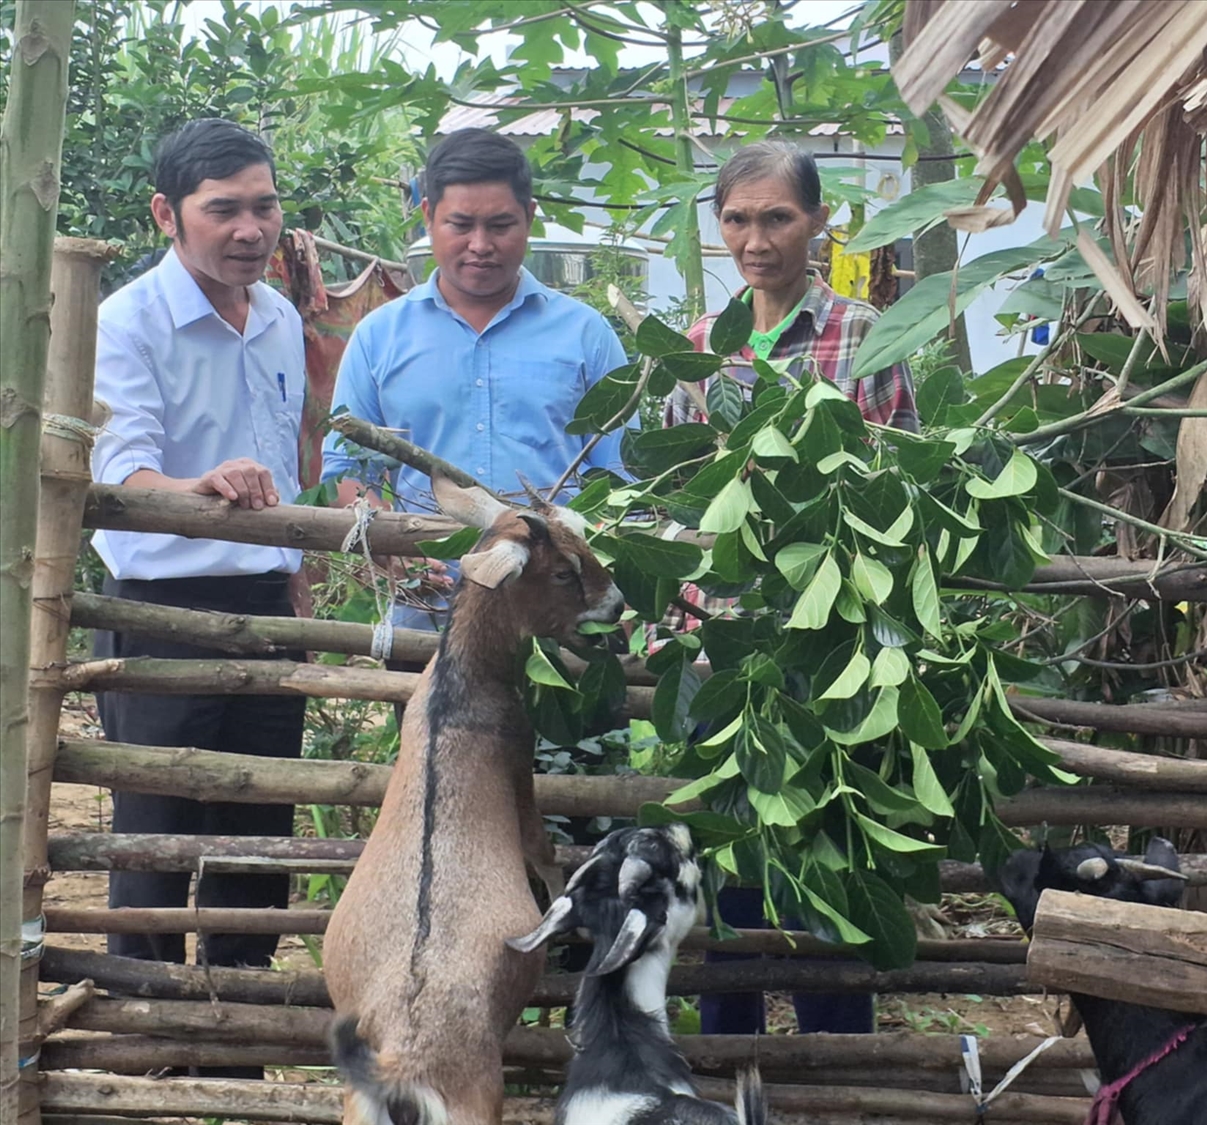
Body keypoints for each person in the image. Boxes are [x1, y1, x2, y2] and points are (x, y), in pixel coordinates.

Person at [662, 140, 919, 1037]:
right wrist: (673, 623)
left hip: (832, 643)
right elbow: (676, 504)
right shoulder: (698, 347)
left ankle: (840, 1060)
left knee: (832, 850)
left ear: (816, 222)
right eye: (736, 218)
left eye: (776, 217)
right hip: (722, 645)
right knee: (726, 859)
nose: (755, 239)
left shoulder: (865, 335)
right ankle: (726, 1057)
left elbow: (900, 492)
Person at [90, 118, 309, 1076]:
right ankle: (148, 1033)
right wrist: (201, 487)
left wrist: (297, 586)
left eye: (262, 205)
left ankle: (240, 1033)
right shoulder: (126, 320)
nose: (249, 228)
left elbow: (287, 474)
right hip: (157, 601)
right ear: (167, 214)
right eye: (223, 209)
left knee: (258, 823)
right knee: (155, 826)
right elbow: (118, 467)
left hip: (266, 600)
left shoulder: (282, 318)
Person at [319, 127, 631, 634]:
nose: (480, 245)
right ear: (428, 218)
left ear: (529, 217)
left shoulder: (586, 335)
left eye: (501, 225)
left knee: (576, 716)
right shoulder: (379, 336)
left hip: (563, 613)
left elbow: (620, 474)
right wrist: (393, 553)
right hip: (430, 606)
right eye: (460, 224)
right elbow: (347, 470)